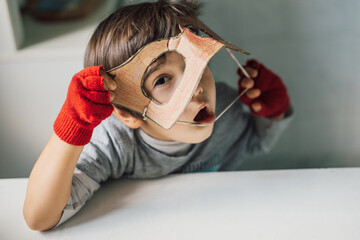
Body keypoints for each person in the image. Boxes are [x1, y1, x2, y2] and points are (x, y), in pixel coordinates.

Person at [23, 0, 292, 231]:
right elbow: (39, 217)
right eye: (163, 79)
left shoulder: (223, 107)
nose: (196, 85)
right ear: (127, 115)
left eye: (198, 63)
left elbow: (256, 142)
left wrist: (275, 111)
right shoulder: (116, 143)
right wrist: (72, 127)